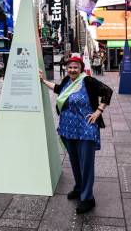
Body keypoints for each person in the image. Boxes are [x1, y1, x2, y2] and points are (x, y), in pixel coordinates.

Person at [39, 56, 113, 214]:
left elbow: (107, 92)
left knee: (86, 164)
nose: (72, 70)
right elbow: (58, 89)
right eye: (70, 67)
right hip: (68, 129)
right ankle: (79, 188)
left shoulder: (87, 81)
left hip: (86, 129)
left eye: (75, 67)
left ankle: (87, 198)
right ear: (67, 68)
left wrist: (98, 111)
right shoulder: (67, 81)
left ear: (80, 68)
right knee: (74, 161)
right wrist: (43, 81)